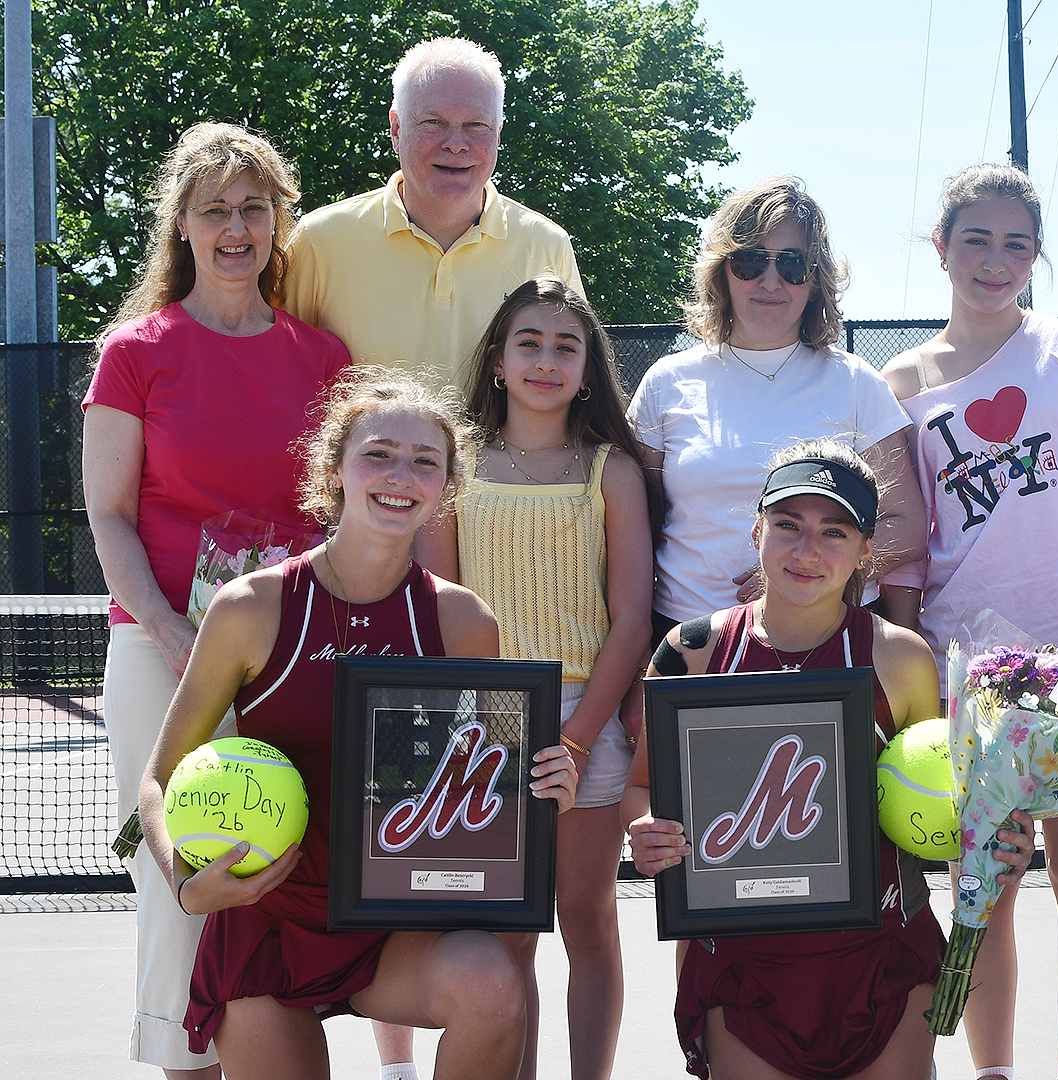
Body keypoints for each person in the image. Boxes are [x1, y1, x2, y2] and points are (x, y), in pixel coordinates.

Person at [135, 374, 580, 1080]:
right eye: (380, 454)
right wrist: (188, 886)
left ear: (446, 488)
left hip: (397, 930)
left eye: (425, 462)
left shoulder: (464, 622)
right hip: (271, 920)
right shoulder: (251, 607)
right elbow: (158, 778)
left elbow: (490, 785)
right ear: (334, 468)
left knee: (492, 985)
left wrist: (541, 783)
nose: (401, 476)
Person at [625, 439, 1040, 1080]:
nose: (806, 550)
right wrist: (649, 837)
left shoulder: (899, 659)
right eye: (788, 526)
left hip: (880, 960)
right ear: (757, 529)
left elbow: (934, 805)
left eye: (834, 532)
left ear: (865, 553)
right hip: (743, 964)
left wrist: (993, 835)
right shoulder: (696, 652)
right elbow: (645, 789)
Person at [81, 120, 351, 1080]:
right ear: (182, 229)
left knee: (274, 868)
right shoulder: (136, 351)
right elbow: (108, 516)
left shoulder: (323, 356)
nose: (235, 227)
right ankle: (180, 1062)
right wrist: (170, 629)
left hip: (286, 655)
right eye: (213, 211)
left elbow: (336, 515)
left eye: (253, 207)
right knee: (177, 873)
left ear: (280, 223)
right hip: (160, 649)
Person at [879, 163, 1058, 1080]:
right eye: (976, 241)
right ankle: (993, 1072)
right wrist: (914, 670)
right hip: (974, 670)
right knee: (984, 888)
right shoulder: (903, 380)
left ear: (1037, 254)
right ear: (940, 248)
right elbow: (910, 545)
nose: (995, 262)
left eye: (1016, 244)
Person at [417, 278, 652, 1080]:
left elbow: (630, 619)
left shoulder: (610, 471)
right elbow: (437, 607)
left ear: (587, 370)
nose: (546, 361)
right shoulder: (456, 466)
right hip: (480, 729)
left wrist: (577, 738)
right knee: (506, 934)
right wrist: (486, 724)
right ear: (497, 361)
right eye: (529, 343)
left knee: (587, 922)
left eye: (566, 346)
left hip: (585, 724)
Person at [629, 176, 925, 644]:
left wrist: (801, 578)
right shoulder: (666, 382)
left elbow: (906, 526)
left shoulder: (855, 383)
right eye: (749, 261)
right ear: (722, 270)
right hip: (688, 641)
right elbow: (634, 528)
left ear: (816, 278)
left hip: (824, 639)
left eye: (792, 264)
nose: (770, 282)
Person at [280, 36, 582, 390]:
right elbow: (278, 376)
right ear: (396, 130)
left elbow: (571, 387)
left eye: (476, 125)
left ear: (498, 134)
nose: (456, 143)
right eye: (433, 122)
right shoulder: (320, 241)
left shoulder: (547, 246)